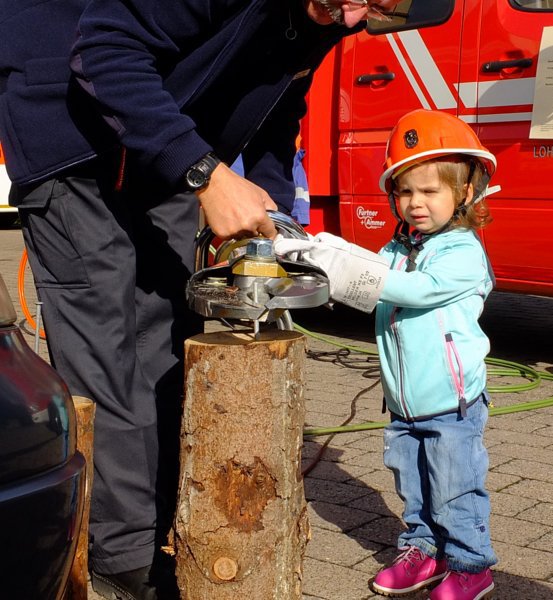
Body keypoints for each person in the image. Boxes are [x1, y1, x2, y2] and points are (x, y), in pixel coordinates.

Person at [0, 1, 400, 599]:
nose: (351, 19)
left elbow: (280, 99)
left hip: (154, 136)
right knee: (107, 345)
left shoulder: (325, 13)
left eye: (375, 8)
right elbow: (105, 48)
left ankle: (165, 527)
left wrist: (267, 199)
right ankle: (124, 558)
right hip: (69, 129)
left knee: (164, 337)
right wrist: (206, 175)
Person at [275, 109, 499, 600]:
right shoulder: (401, 246)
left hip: (450, 403)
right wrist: (319, 251)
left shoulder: (462, 251)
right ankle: (423, 548)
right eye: (405, 191)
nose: (416, 203)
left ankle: (469, 563)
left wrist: (347, 267)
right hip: (403, 403)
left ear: (466, 192)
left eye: (430, 190)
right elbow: (372, 273)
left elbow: (414, 290)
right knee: (414, 484)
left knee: (454, 486)